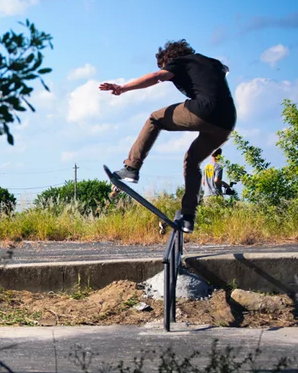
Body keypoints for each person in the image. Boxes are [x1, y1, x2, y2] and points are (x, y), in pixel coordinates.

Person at [99, 39, 236, 233]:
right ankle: (188, 217)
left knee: (155, 119)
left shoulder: (181, 62)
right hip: (227, 121)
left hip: (204, 111)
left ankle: (131, 167)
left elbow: (156, 76)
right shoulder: (210, 62)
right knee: (192, 160)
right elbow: (225, 69)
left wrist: (123, 88)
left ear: (169, 59)